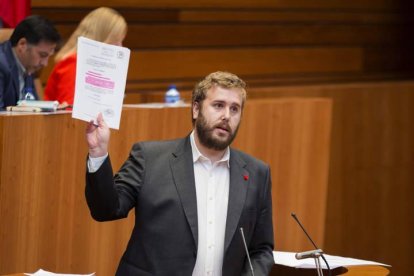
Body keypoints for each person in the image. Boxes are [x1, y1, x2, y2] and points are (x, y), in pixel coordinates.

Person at [85, 71, 275, 275]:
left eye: (235, 109)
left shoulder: (257, 173)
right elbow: (106, 210)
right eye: (218, 105)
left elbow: (261, 249)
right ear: (195, 108)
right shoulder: (150, 158)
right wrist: (98, 153)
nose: (226, 116)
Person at [44, 7, 127, 105]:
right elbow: (69, 111)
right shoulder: (74, 64)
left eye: (121, 41)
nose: (121, 47)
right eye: (116, 42)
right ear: (101, 39)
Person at [0, 15, 61, 109]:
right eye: (42, 55)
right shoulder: (2, 65)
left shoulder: (27, 67)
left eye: (49, 56)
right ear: (22, 44)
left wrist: (54, 109)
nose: (45, 63)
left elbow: (33, 109)